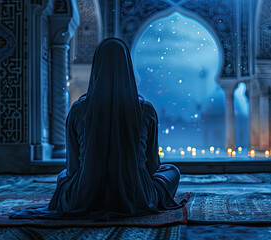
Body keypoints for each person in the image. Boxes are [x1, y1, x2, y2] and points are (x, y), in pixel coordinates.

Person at [10, 38, 183, 220]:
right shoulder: (145, 109)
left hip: (84, 195)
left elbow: (72, 169)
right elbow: (153, 165)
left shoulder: (79, 109)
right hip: (138, 195)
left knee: (62, 177)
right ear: (128, 67)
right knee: (172, 171)